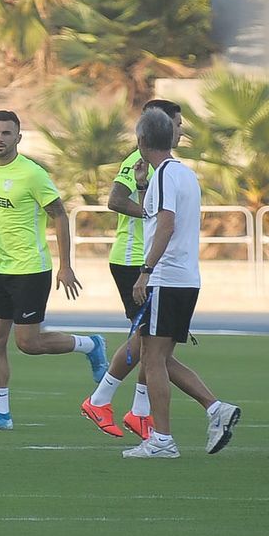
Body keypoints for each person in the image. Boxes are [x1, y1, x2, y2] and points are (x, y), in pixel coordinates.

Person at [0, 111, 109, 431]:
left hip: (31, 269)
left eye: (6, 133)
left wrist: (66, 265)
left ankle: (91, 344)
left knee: (28, 343)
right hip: (0, 268)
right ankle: (1, 414)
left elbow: (59, 214)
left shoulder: (32, 174)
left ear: (18, 137)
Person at [120, 109, 241, 458]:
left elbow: (166, 225)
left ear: (141, 141)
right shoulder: (181, 174)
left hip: (166, 278)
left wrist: (145, 270)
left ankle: (162, 439)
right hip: (185, 278)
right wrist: (142, 184)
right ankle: (216, 409)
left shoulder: (166, 177)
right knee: (156, 354)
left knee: (153, 360)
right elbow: (153, 213)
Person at [81, 99, 184, 440]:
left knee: (151, 342)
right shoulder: (137, 161)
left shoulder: (169, 168)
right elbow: (114, 200)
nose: (180, 131)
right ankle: (106, 401)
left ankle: (135, 410)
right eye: (176, 124)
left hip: (152, 263)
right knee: (149, 342)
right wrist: (153, 217)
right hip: (133, 260)